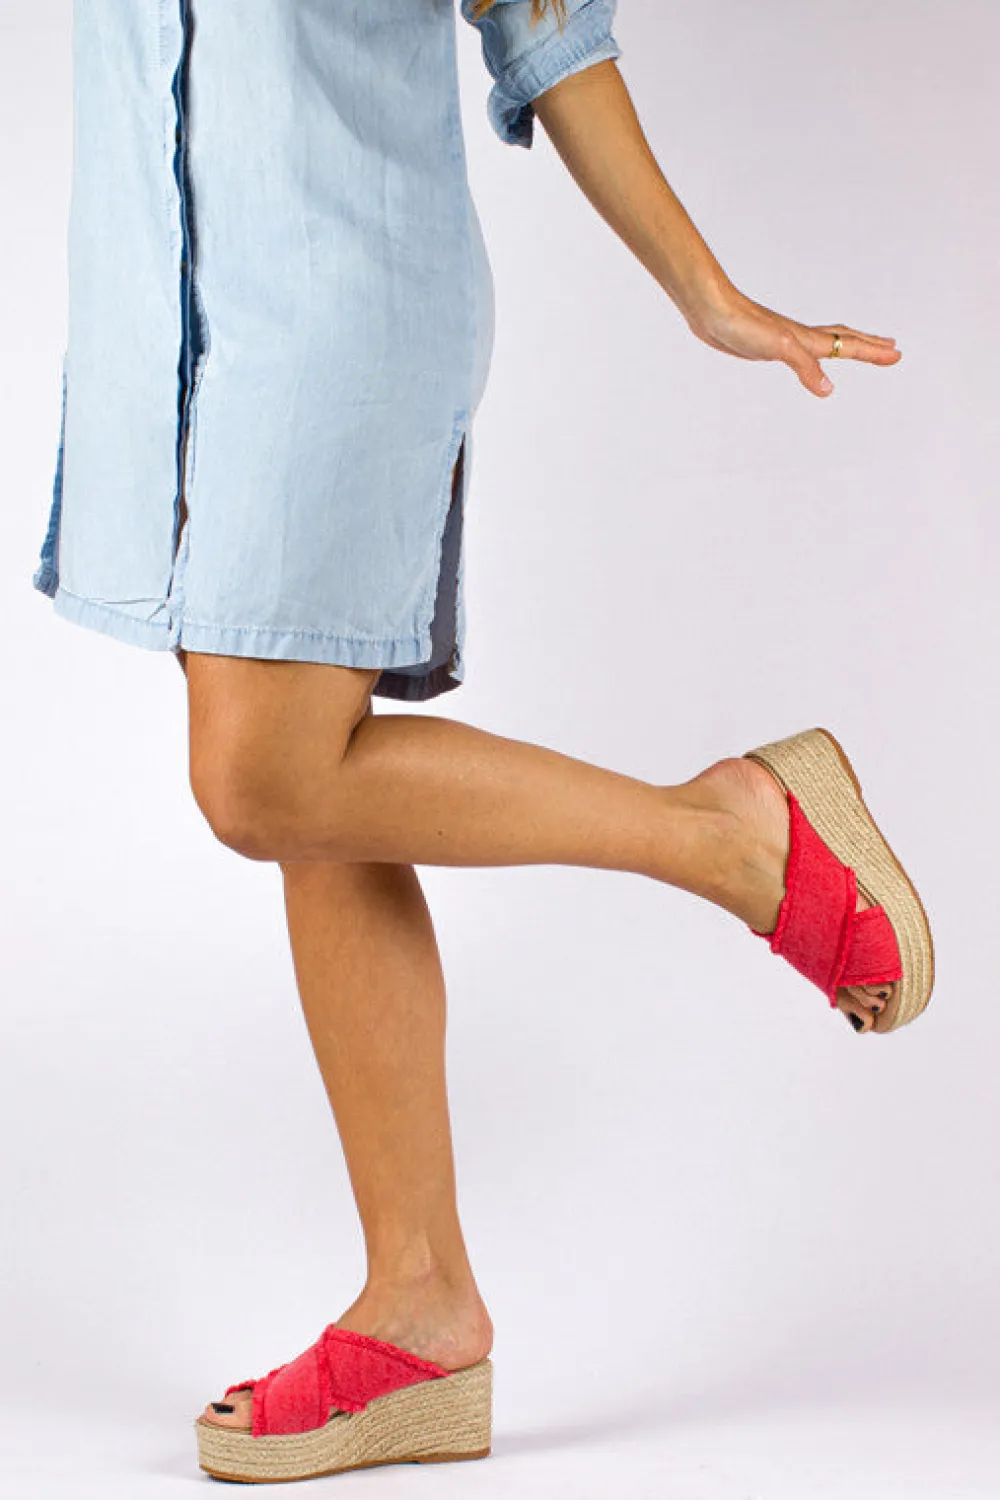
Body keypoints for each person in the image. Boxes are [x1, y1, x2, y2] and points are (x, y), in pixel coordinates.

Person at [31, 0, 934, 1484]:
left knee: (262, 779)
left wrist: (701, 288)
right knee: (319, 795)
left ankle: (733, 835)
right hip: (164, 312)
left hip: (334, 305)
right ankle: (421, 1309)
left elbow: (544, 20)